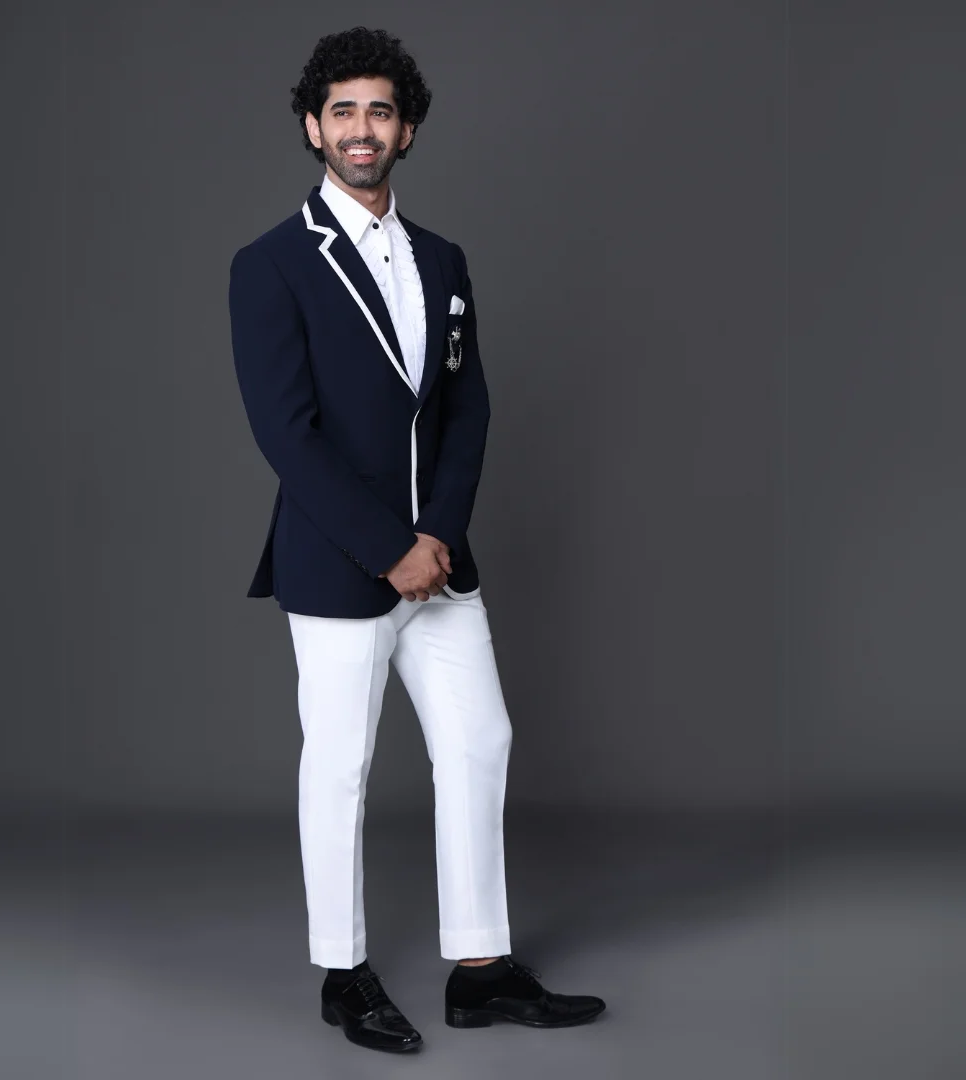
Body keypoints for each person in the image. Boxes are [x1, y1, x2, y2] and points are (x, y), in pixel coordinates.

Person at [227, 26, 606, 1053]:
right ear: (314, 128)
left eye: (381, 111)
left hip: (439, 565)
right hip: (337, 564)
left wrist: (436, 533)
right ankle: (343, 975)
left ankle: (481, 967)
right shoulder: (270, 266)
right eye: (343, 110)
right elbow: (287, 434)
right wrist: (387, 546)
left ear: (408, 130)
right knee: (339, 768)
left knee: (480, 742)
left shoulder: (443, 260)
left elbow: (466, 408)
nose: (363, 128)